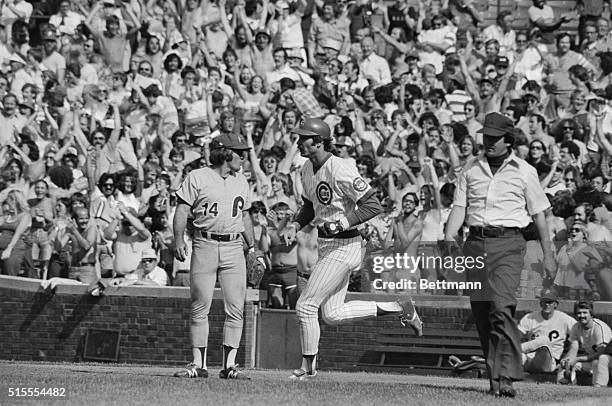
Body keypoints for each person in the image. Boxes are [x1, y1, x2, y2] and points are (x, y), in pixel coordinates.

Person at [279, 118, 423, 381]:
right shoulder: (307, 169)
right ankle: (398, 307)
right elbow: (310, 206)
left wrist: (342, 222)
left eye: (304, 138)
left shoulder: (340, 168)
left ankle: (308, 369)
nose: (299, 142)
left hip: (346, 244)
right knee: (332, 314)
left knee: (306, 306)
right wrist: (296, 225)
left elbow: (373, 205)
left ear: (319, 141)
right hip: (327, 244)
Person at [445, 112, 556, 397]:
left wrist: (549, 254)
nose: (489, 142)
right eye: (486, 137)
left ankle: (506, 375)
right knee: (482, 313)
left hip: (508, 243)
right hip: (475, 243)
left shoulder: (524, 170)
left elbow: (540, 215)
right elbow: (459, 207)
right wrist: (448, 236)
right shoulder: (470, 168)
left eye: (495, 137)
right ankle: (496, 378)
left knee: (501, 307)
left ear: (508, 139)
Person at [172, 133, 255, 380]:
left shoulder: (241, 180)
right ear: (225, 153)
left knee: (236, 307)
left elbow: (246, 216)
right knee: (199, 306)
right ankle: (198, 365)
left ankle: (230, 365)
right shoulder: (198, 176)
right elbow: (182, 210)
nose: (243, 156)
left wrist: (252, 248)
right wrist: (178, 240)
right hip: (204, 243)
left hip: (233, 247)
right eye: (238, 151)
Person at [518, 288, 576, 374]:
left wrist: (570, 354)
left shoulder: (565, 319)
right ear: (540, 303)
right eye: (544, 301)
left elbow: (579, 332)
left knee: (544, 340)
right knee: (516, 356)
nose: (547, 305)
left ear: (555, 304)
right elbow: (516, 335)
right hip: (529, 358)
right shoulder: (530, 317)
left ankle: (515, 349)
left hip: (549, 360)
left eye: (550, 302)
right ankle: (515, 351)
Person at [559, 300, 612, 386]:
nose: (582, 316)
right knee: (566, 362)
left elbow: (601, 353)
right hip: (591, 360)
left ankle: (598, 389)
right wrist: (569, 360)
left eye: (585, 313)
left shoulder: (599, 327)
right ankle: (564, 387)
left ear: (591, 314)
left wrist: (577, 359)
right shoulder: (576, 327)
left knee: (598, 361)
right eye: (579, 313)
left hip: (606, 362)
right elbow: (573, 348)